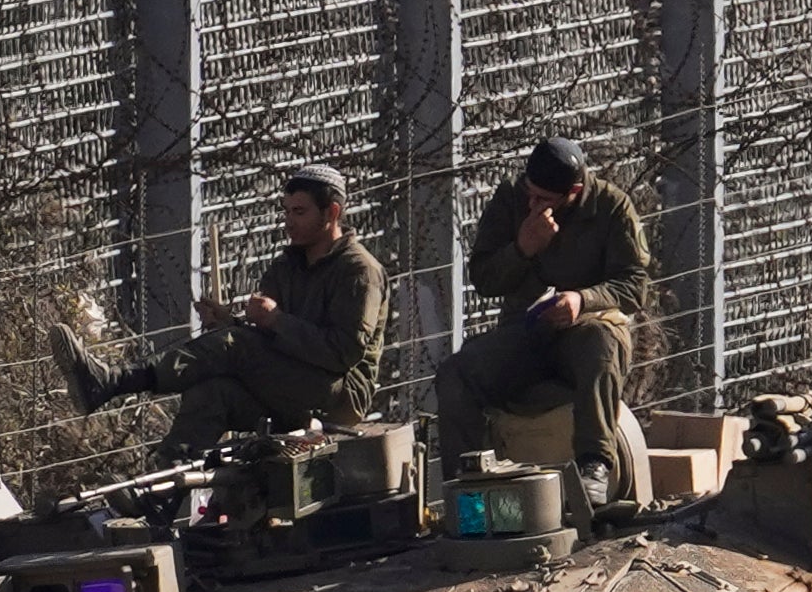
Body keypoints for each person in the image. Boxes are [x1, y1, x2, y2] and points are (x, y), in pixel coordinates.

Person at [49, 164, 387, 460]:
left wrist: (274, 320)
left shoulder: (358, 272)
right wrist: (233, 322)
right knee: (211, 396)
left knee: (237, 346)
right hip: (295, 383)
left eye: (299, 213)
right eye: (285, 212)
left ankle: (112, 381)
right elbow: (270, 344)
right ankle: (161, 490)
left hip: (340, 395)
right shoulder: (288, 267)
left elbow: (343, 353)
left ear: (331, 213)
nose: (288, 222)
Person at [436, 135, 652, 509]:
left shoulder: (611, 207)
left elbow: (634, 286)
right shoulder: (511, 199)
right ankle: (467, 490)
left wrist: (583, 299)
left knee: (600, 347)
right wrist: (522, 248)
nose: (533, 203)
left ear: (575, 191)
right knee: (458, 374)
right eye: (530, 194)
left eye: (544, 200)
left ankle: (594, 466)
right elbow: (485, 278)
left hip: (586, 327)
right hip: (526, 330)